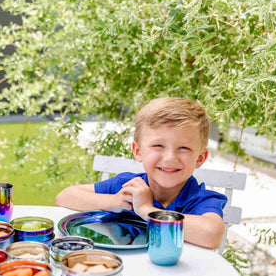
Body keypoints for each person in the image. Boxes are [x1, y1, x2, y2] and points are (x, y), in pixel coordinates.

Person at [55, 97, 227, 249]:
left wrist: (147, 210)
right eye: (158, 146)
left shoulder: (200, 199)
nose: (169, 158)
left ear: (200, 158)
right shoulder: (128, 186)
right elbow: (64, 197)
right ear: (138, 151)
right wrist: (114, 200)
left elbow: (211, 235)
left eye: (184, 148)